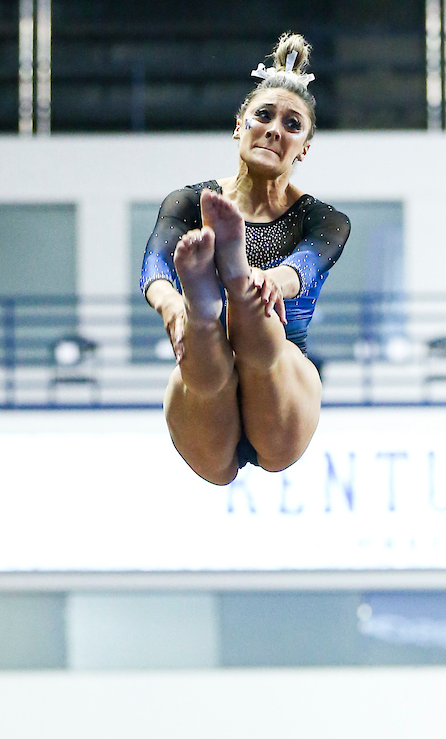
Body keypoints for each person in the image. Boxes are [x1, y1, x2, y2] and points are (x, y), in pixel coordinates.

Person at [141, 32, 350, 484]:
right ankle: (203, 309)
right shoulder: (187, 201)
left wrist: (272, 278)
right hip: (207, 372)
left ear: (304, 148)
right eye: (264, 116)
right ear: (240, 125)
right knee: (207, 367)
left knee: (259, 326)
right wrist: (171, 304)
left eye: (292, 125)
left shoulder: (324, 219)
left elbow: (307, 265)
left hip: (282, 375)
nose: (275, 129)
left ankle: (233, 287)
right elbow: (156, 264)